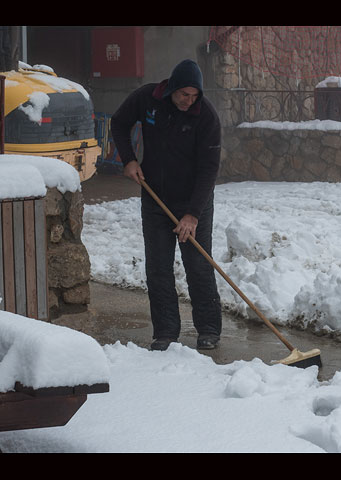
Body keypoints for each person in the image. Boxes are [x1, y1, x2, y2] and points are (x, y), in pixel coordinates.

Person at [110, 59, 222, 351]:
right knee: (158, 267)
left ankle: (209, 328)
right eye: (184, 94)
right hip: (155, 197)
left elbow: (209, 169)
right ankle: (166, 332)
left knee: (198, 265)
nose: (189, 100)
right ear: (172, 88)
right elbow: (119, 123)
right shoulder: (148, 99)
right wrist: (129, 159)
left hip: (192, 202)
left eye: (194, 95)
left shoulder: (205, 116)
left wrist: (192, 215)